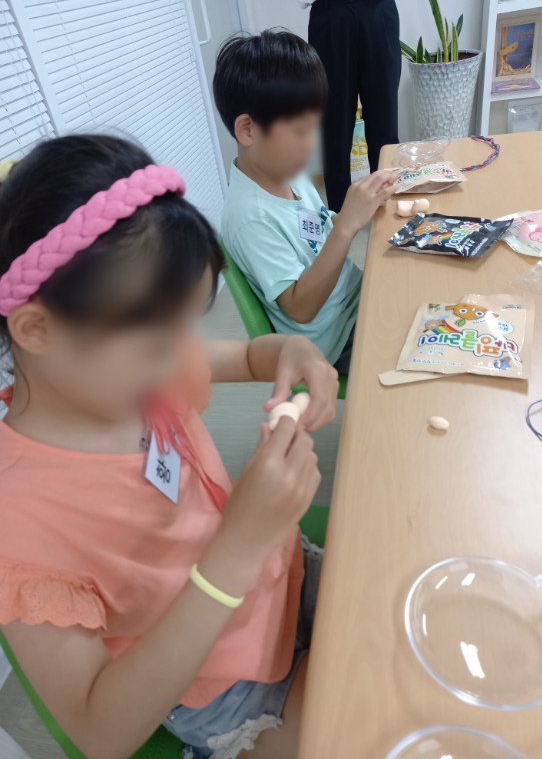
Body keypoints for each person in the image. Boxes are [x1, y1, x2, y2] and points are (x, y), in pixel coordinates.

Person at [0, 135, 340, 759]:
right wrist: (237, 548)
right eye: (161, 342)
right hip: (217, 680)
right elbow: (102, 734)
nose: (181, 356)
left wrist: (293, 350)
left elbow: (247, 355)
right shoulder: (16, 521)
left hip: (281, 576)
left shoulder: (136, 370)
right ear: (37, 328)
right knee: (359, 719)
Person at [215, 31, 397, 376]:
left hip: (356, 300)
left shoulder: (288, 172)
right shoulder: (251, 218)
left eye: (314, 128)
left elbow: (317, 232)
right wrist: (346, 226)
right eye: (300, 131)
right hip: (335, 340)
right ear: (248, 130)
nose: (311, 144)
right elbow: (300, 308)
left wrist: (359, 208)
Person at [302, 0, 401, 212]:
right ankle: (340, 219)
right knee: (333, 132)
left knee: (385, 129)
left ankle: (387, 214)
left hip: (378, 6)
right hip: (327, 11)